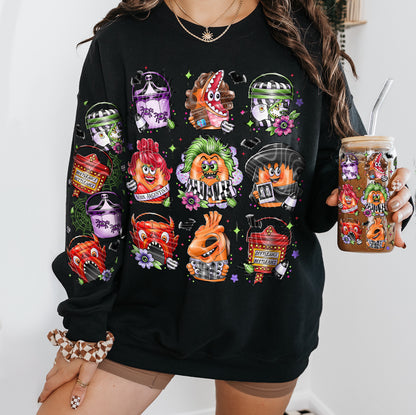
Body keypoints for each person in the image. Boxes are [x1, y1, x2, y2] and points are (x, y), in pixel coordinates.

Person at [36, 0, 413, 414]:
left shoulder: (304, 38)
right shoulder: (121, 41)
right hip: (141, 315)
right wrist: (84, 327)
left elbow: (336, 165)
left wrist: (378, 199)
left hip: (267, 320)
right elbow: (93, 191)